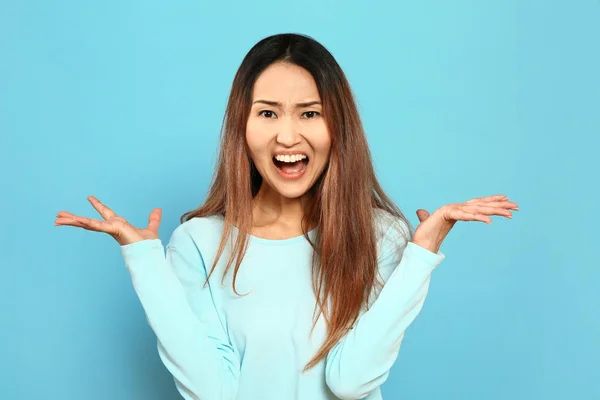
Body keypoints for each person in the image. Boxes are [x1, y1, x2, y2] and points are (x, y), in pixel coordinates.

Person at [55, 33, 519, 400]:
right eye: (268, 113)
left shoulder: (379, 234)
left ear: (338, 126)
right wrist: (145, 263)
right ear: (243, 125)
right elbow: (212, 392)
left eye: (310, 113)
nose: (288, 136)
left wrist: (420, 256)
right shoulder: (198, 242)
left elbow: (351, 382)